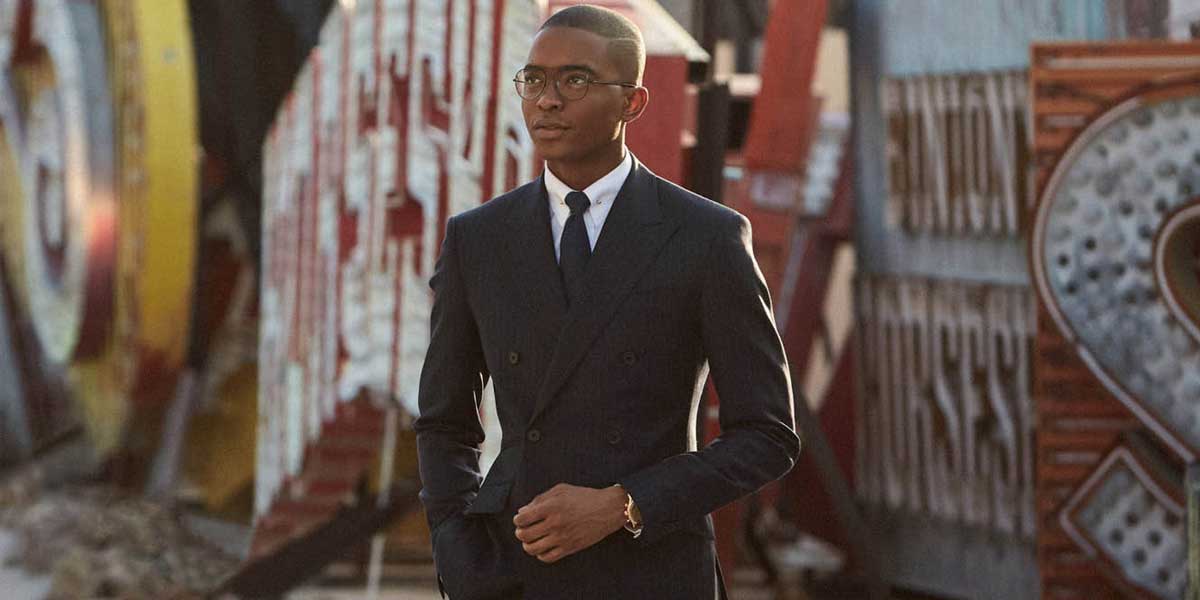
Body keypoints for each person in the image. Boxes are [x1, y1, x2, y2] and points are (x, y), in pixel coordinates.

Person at [414, 5, 800, 599]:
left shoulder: (706, 237)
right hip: (516, 569)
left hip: (653, 572)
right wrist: (457, 547)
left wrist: (625, 504)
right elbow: (444, 420)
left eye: (575, 80)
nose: (547, 101)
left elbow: (767, 435)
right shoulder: (478, 238)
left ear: (632, 102)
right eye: (534, 79)